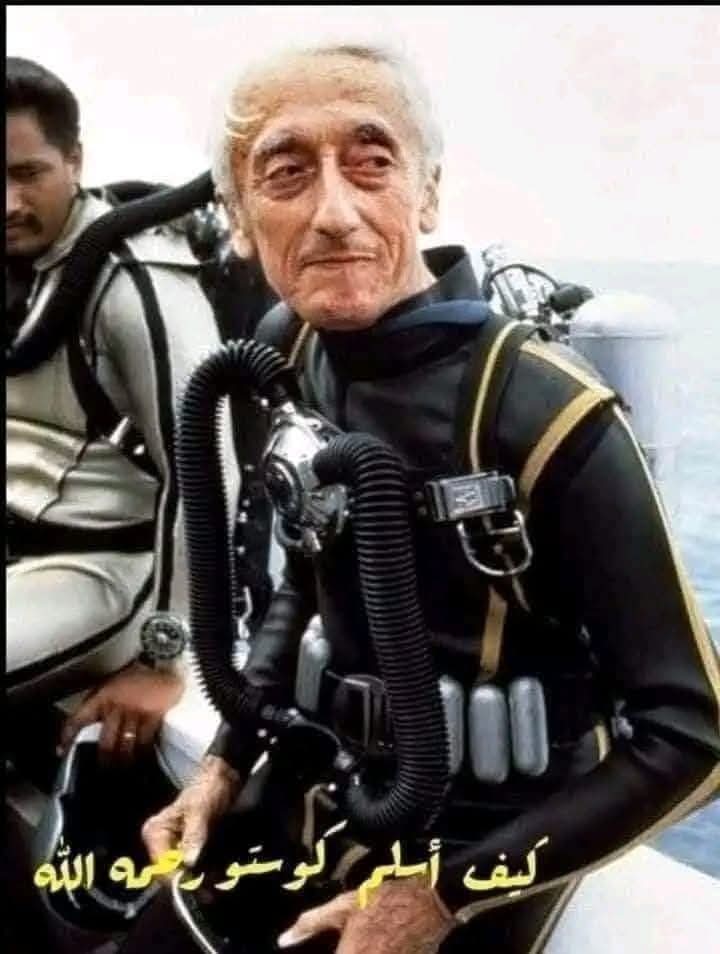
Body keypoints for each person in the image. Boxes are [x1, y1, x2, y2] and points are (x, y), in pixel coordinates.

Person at [131, 43, 720, 954]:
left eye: (372, 164)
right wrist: (224, 762)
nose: (335, 214)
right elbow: (304, 577)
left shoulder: (543, 408)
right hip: (319, 788)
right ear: (240, 219)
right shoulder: (291, 350)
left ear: (428, 192)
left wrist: (443, 898)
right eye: (286, 174)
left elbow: (692, 733)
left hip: (488, 841)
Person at [6, 57, 237, 762]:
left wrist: (163, 658)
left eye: (27, 174)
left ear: (74, 160)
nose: (7, 203)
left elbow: (207, 472)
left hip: (100, 565)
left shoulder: (134, 280)